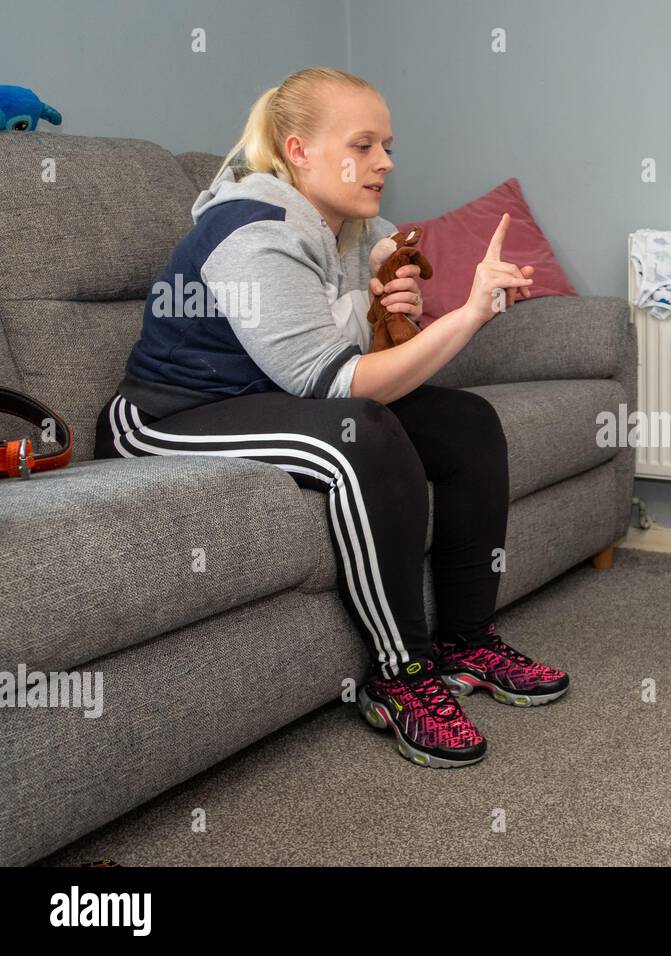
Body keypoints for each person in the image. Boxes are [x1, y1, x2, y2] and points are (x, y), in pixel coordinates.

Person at [92, 67, 568, 770]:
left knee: (467, 423)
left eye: (388, 145)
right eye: (365, 145)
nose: (386, 162)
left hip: (267, 396)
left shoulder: (343, 222)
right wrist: (469, 313)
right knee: (363, 436)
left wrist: (390, 285)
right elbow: (340, 381)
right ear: (299, 151)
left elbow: (366, 287)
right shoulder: (249, 231)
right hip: (170, 415)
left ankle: (467, 642)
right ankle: (400, 675)